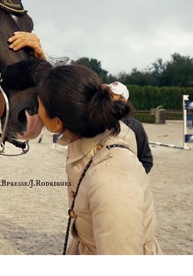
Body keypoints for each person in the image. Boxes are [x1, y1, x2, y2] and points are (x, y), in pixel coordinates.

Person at [36, 63, 161, 255]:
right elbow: (69, 93)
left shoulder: (111, 180)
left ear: (57, 122)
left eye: (39, 105)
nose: (37, 111)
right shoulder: (94, 132)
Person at [108, 81, 154, 173]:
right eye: (107, 96)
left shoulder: (135, 126)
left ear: (123, 100)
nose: (108, 100)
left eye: (113, 96)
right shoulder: (95, 123)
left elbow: (146, 160)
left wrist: (133, 179)